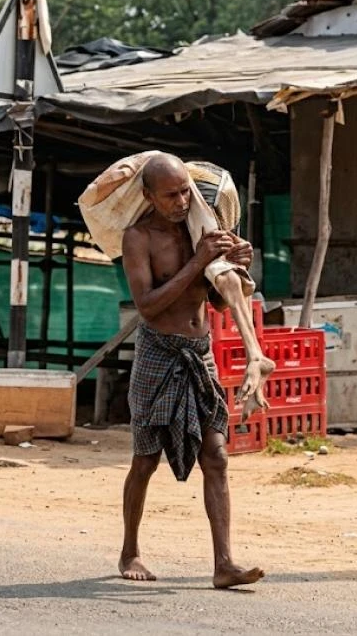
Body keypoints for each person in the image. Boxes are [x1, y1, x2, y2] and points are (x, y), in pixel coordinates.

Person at [118, 153, 264, 589]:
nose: (182, 201)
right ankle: (130, 550)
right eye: (171, 195)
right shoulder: (137, 237)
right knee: (145, 460)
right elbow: (147, 305)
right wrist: (198, 261)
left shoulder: (202, 228)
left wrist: (240, 265)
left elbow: (218, 301)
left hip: (199, 353)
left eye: (187, 191)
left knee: (216, 456)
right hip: (158, 353)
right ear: (149, 197)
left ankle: (224, 564)